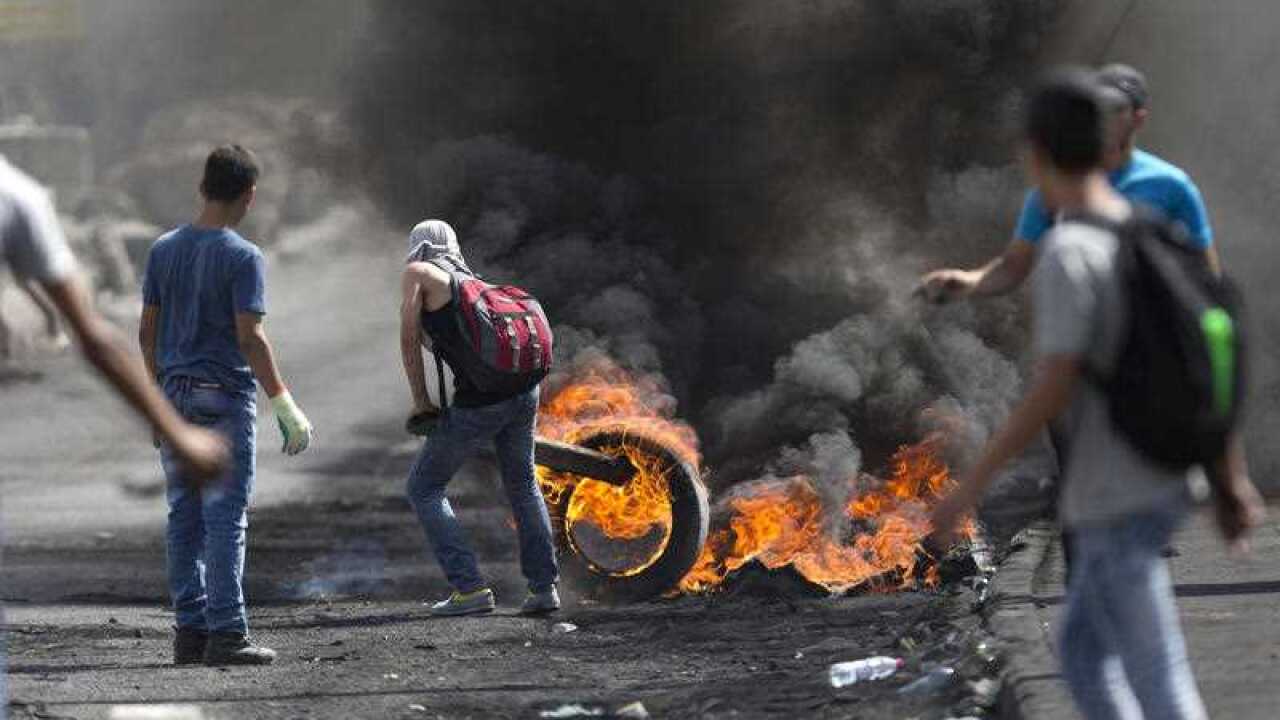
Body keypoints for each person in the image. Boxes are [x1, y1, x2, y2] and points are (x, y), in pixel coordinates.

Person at [930, 71, 1263, 719]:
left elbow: (1053, 388)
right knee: (1083, 652)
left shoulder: (1071, 250)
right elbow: (1212, 338)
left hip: (1118, 484)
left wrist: (969, 490)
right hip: (1146, 475)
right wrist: (1228, 474)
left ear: (1036, 150)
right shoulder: (1137, 224)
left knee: (1155, 667)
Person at [140, 145, 314, 666]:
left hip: (172, 392)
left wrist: (155, 401)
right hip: (221, 398)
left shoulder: (163, 249)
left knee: (183, 516)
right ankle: (228, 633)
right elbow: (250, 337)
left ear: (202, 188)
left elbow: (147, 332)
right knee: (225, 519)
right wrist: (283, 401)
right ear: (249, 195)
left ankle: (189, 633)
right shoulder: (243, 256)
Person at [919, 64, 1219, 302]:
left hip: (1152, 349)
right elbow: (1014, 267)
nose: (1106, 119)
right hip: (1089, 346)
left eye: (1117, 110)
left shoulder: (1172, 186)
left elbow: (1207, 278)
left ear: (1138, 119)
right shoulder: (1057, 189)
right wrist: (968, 283)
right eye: (1098, 109)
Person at [399, 219, 560, 616]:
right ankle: (544, 590)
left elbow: (407, 336)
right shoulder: (480, 285)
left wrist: (421, 401)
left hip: (482, 402)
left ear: (418, 248)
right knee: (523, 484)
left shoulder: (419, 272)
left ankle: (469, 589)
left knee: (424, 486)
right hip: (525, 393)